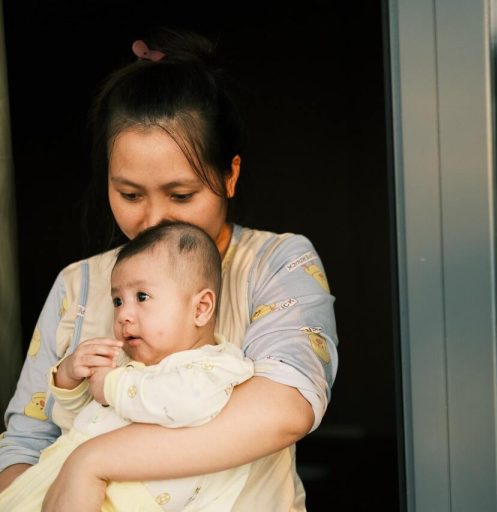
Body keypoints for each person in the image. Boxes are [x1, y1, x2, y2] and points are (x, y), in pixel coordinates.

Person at [0, 27, 338, 511]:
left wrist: (91, 463)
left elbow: (284, 410)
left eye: (181, 195)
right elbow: (25, 442)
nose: (153, 220)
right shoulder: (78, 285)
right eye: (130, 194)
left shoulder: (277, 263)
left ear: (230, 174)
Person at [0, 220, 258, 511]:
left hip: (128, 497)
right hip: (61, 473)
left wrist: (111, 385)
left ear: (200, 308)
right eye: (118, 300)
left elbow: (185, 403)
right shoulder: (127, 362)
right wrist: (70, 376)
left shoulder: (218, 366)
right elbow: (79, 415)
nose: (124, 314)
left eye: (142, 297)